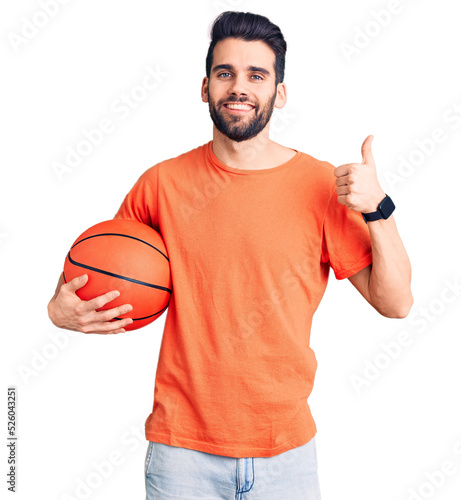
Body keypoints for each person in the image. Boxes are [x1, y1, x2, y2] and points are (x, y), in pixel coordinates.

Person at [47, 10, 413, 500]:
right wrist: (58, 310)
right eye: (226, 73)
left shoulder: (323, 185)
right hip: (182, 457)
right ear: (205, 88)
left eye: (256, 75)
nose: (239, 87)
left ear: (279, 93)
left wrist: (379, 211)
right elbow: (105, 270)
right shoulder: (161, 185)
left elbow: (397, 303)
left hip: (287, 457)